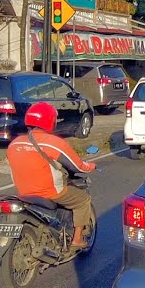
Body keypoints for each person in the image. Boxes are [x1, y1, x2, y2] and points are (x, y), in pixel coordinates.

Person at [7, 102, 96, 249]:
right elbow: (77, 166)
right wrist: (91, 166)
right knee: (83, 200)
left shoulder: (15, 143)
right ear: (51, 121)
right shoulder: (55, 143)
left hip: (23, 193)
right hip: (50, 192)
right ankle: (77, 239)